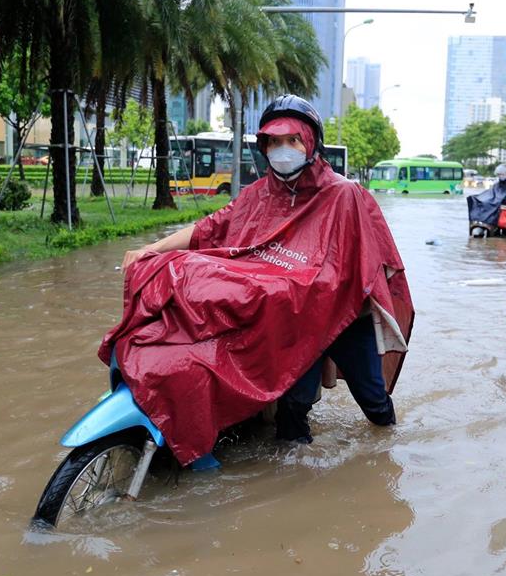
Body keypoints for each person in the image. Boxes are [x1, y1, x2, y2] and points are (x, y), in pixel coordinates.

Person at [109, 95, 413, 463]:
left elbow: (363, 264)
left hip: (346, 318)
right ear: (264, 146)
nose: (284, 150)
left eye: (293, 140)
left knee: (373, 401)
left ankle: (389, 456)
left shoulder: (345, 194)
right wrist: (152, 250)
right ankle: (292, 479)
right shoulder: (256, 195)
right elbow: (209, 229)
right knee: (293, 407)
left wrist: (303, 286)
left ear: (311, 143)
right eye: (274, 141)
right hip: (292, 320)